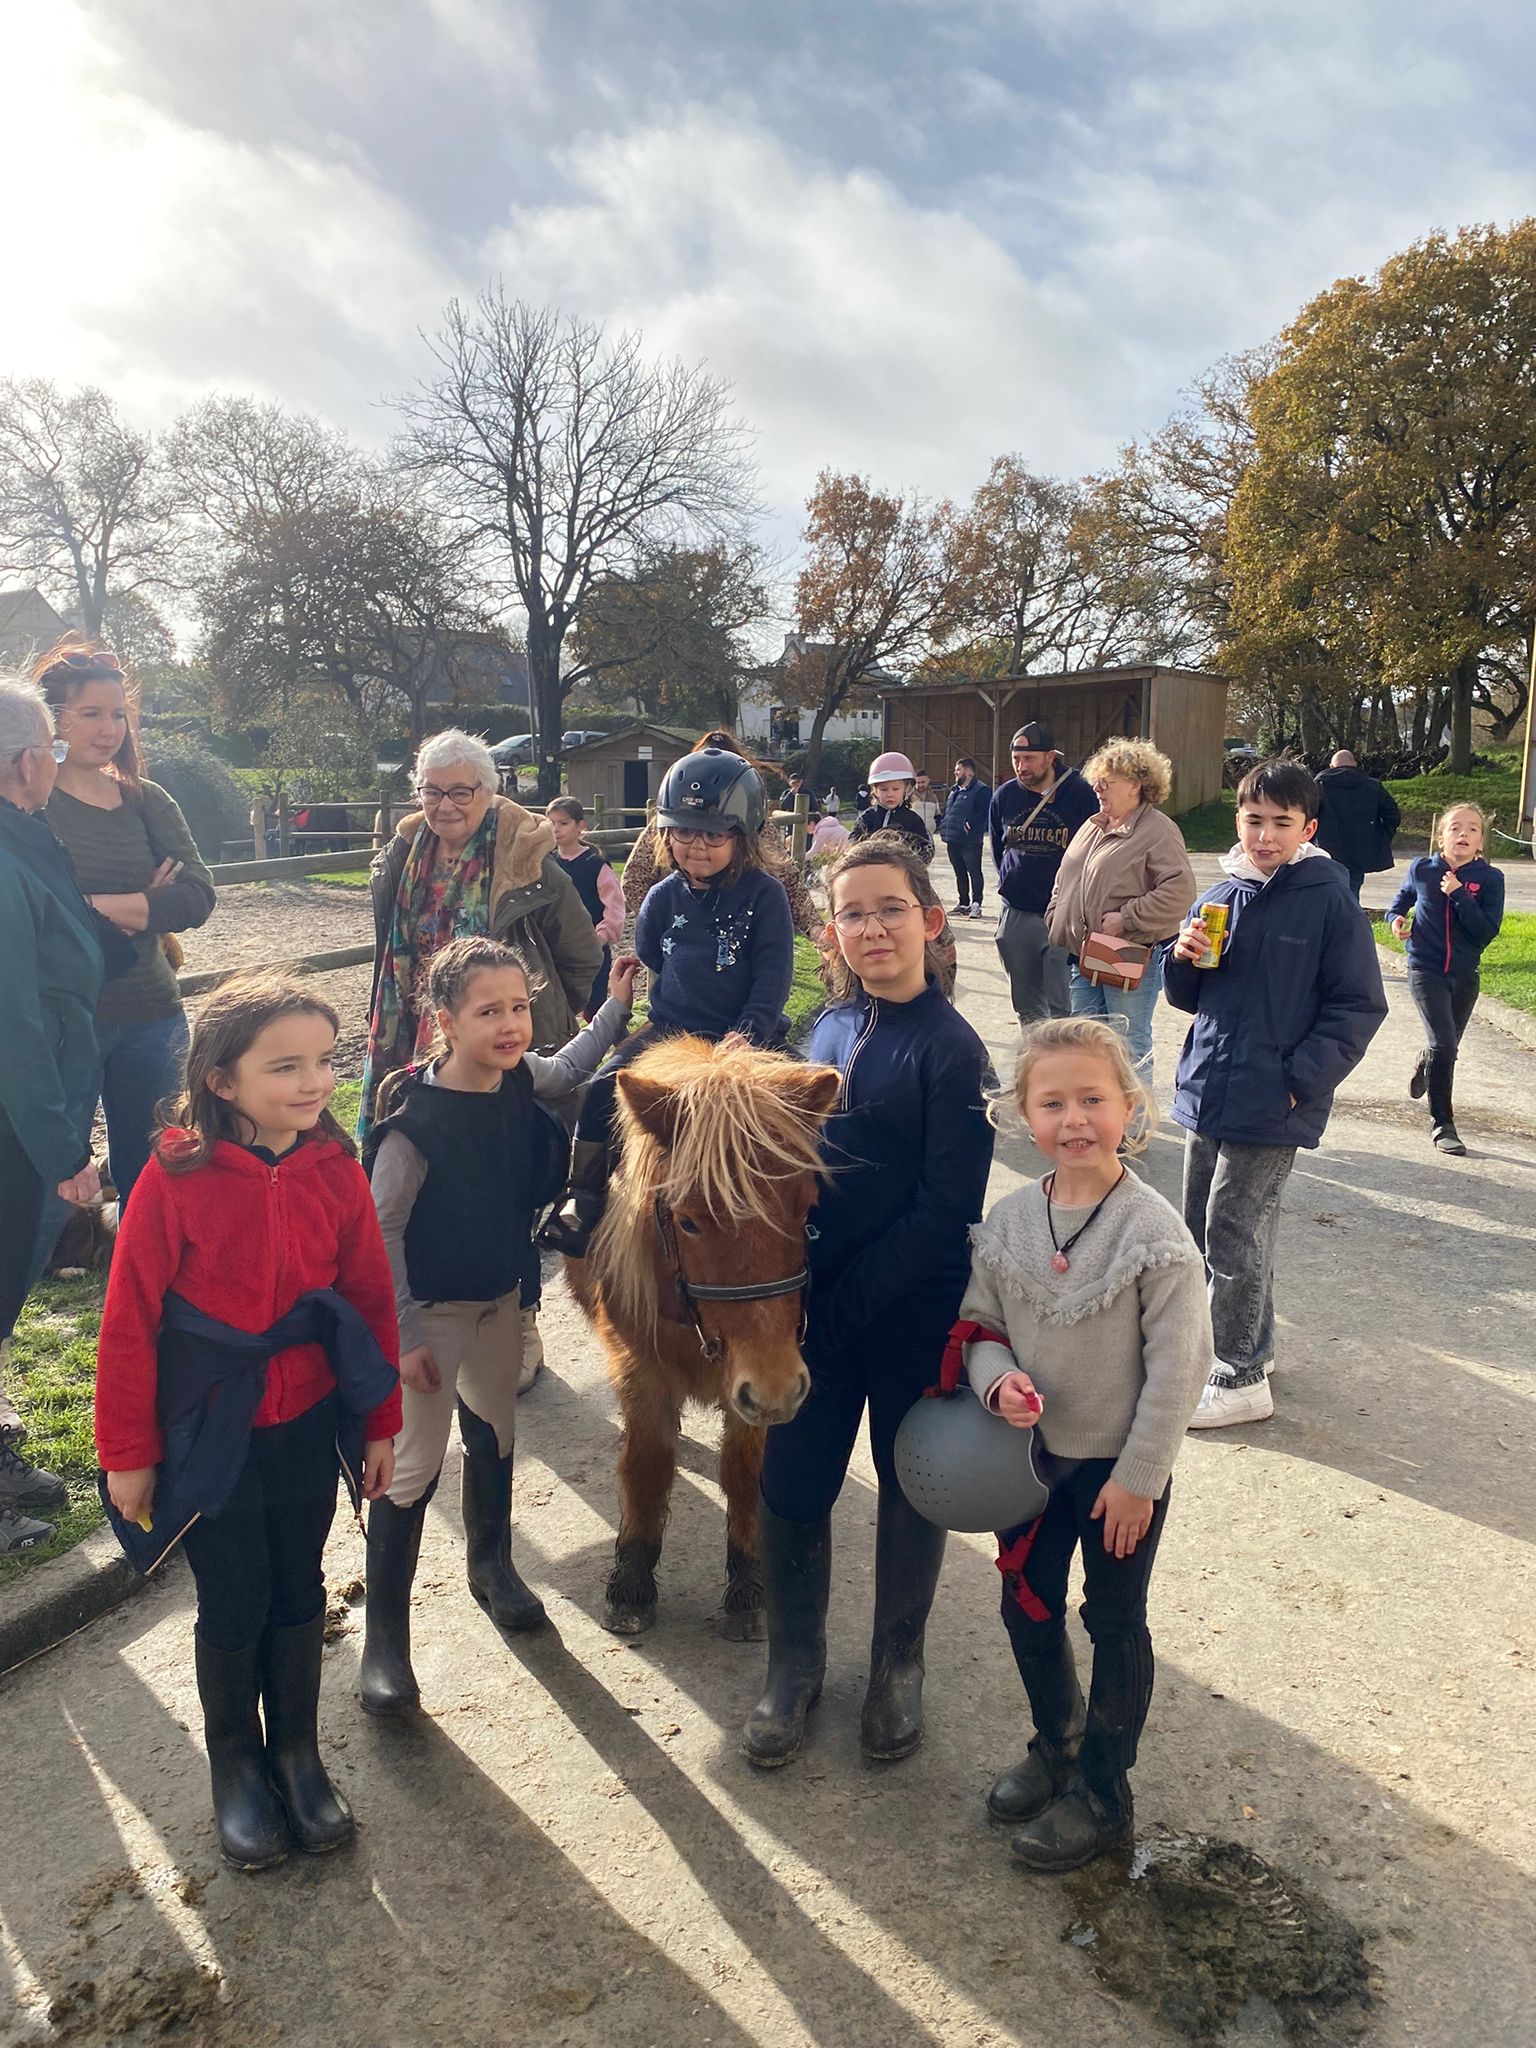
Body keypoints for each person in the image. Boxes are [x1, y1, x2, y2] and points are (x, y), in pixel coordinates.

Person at [95, 974, 402, 1871]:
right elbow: (128, 1319)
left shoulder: (337, 1171)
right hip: (209, 1426)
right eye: (286, 1067)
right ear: (221, 1081)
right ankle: (236, 1763)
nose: (314, 1084)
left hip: (305, 1418)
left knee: (299, 1582)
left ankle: (297, 1753)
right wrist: (128, 1452)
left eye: (324, 1063)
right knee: (233, 1593)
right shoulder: (175, 1175)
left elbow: (370, 1302)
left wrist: (378, 1422)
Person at [743, 838, 994, 1769]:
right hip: (814, 1315)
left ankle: (898, 1665)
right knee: (794, 1483)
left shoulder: (951, 1050)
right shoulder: (829, 1029)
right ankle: (793, 1666)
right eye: (854, 913)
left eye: (890, 909)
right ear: (833, 931)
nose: (873, 928)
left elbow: (943, 1212)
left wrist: (847, 1303)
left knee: (907, 1484)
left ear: (929, 922)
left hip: (906, 1316)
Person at [360, 936, 639, 1715]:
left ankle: (494, 1566)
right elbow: (380, 1232)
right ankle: (385, 1642)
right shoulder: (416, 1126)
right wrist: (406, 1333)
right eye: (489, 1012)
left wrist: (615, 1004)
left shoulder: (518, 1077)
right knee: (412, 1469)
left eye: (519, 1008)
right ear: (446, 1021)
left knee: (496, 1439)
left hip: (497, 1304)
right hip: (431, 1320)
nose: (510, 1025)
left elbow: (575, 1064)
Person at [959, 1017, 1210, 1870]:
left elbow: (1179, 1372)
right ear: (1023, 1115)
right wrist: (996, 1380)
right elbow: (981, 1325)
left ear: (1128, 1109)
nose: (1075, 1119)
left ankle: (1104, 1789)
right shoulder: (1010, 1219)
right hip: (1027, 1466)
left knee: (1111, 1617)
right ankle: (1056, 1743)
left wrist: (1139, 1478)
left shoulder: (1154, 1233)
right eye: (1053, 1101)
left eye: (1093, 1100)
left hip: (1117, 1476)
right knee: (1025, 1602)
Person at [365, 729, 602, 1386]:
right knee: (437, 1194)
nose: (445, 804)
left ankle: (519, 1320)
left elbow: (582, 957)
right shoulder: (402, 858)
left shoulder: (530, 866)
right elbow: (388, 947)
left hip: (499, 1056)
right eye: (433, 790)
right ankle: (433, 1318)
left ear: (488, 793)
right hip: (421, 1051)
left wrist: (533, 1023)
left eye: (461, 791)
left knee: (504, 1196)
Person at [1164, 761, 1387, 1428]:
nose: (1264, 835)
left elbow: (1358, 1007)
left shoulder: (1327, 899)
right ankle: (1240, 1346)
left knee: (1234, 1230)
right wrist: (1180, 956)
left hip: (1274, 1100)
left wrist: (1298, 1083)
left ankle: (1239, 1375)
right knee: (1205, 1222)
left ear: (1307, 828)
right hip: (1208, 1088)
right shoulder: (1226, 893)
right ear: (1238, 819)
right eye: (1254, 820)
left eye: (1281, 824)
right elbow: (1191, 996)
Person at [542, 749, 796, 1255]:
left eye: (714, 833)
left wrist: (748, 1030)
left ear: (742, 836)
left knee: (796, 1116)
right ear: (665, 834)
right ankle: (584, 1194)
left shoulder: (765, 896)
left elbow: (773, 976)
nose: (697, 846)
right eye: (684, 831)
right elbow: (656, 955)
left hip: (744, 1032)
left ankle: (802, 1218)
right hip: (669, 1030)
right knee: (600, 1088)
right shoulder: (662, 897)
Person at [37, 639, 216, 1211]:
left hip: (152, 1020)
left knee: (159, 1181)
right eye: (90, 713)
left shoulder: (147, 800)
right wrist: (144, 900)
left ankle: (144, 1293)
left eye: (118, 714)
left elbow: (196, 898)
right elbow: (30, 911)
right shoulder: (30, 802)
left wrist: (86, 903)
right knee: (46, 1178)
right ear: (53, 717)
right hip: (60, 1022)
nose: (108, 727)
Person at [0, 677, 106, 1556]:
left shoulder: (24, 840)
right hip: (17, 1122)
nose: (58, 765)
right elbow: (15, 1022)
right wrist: (60, 1144)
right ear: (26, 761)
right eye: (54, 749)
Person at [1046, 740, 1196, 1086]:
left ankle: (1133, 1130)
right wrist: (1057, 913)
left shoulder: (1157, 830)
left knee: (1129, 1046)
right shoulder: (1093, 824)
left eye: (1106, 781)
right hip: (1084, 956)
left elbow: (1180, 892)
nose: (1096, 787)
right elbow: (1066, 875)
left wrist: (1126, 918)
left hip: (1130, 957)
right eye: (1096, 780)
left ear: (1135, 786)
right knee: (1085, 1043)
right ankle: (1097, 1121)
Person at [1386, 802, 1504, 1155]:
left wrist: (1458, 895)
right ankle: (1442, 1124)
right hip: (1425, 969)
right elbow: (1400, 903)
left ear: (1481, 841)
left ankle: (1427, 1059)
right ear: (1441, 837)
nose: (1463, 834)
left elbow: (1485, 932)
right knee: (1446, 1044)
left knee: (1444, 1047)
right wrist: (1395, 920)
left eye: (1472, 829)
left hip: (1465, 975)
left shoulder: (1490, 879)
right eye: (1455, 828)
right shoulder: (1422, 869)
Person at [624, 734, 820, 938]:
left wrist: (816, 929)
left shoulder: (753, 825)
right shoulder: (671, 822)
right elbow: (633, 879)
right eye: (686, 832)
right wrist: (666, 924)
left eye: (714, 834)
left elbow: (786, 878)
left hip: (743, 943)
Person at [991, 724, 1098, 1025]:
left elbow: (1095, 850)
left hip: (1062, 914)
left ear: (1050, 757)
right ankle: (1035, 1067)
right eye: (1016, 759)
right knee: (1026, 1005)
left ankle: (1067, 1068)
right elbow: (999, 849)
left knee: (1063, 1004)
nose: (1021, 767)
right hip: (1017, 913)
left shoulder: (1080, 793)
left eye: (1029, 759)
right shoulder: (1005, 795)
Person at [545, 798, 625, 1020]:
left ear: (580, 825)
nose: (556, 829)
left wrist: (599, 938)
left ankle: (615, 1045)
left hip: (591, 950)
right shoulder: (546, 864)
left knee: (594, 1010)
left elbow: (615, 908)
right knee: (557, 1010)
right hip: (556, 948)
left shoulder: (595, 865)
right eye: (551, 823)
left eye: (563, 823)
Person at [1314, 750, 1401, 899]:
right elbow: (1393, 815)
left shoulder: (1320, 785)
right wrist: (1380, 836)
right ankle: (1350, 919)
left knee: (1327, 892)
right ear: (1355, 764)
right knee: (1352, 893)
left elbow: (1308, 814)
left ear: (1331, 766)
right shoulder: (1372, 786)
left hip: (1327, 849)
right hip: (1360, 850)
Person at [848, 752, 934, 860]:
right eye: (884, 789)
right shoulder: (867, 817)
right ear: (875, 791)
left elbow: (927, 849)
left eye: (895, 789)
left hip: (901, 874)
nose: (890, 794)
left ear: (906, 789)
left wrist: (910, 866)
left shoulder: (913, 820)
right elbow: (852, 843)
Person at [940, 756, 992, 919]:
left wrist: (969, 824)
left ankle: (976, 904)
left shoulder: (981, 790)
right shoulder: (954, 790)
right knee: (959, 872)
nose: (955, 772)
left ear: (969, 771)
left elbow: (985, 813)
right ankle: (963, 902)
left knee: (974, 872)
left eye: (958, 769)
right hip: (953, 838)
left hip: (970, 841)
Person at [910, 770, 943, 842]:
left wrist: (934, 827)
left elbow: (938, 815)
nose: (921, 785)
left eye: (923, 782)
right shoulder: (909, 796)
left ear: (928, 781)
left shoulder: (933, 797)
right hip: (913, 837)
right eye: (918, 782)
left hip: (929, 837)